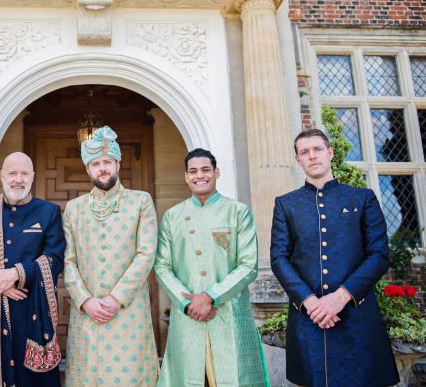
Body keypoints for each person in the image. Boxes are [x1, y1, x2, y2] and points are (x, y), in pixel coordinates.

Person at [270, 128, 399, 387]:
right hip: (309, 317)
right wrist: (311, 303)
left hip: (356, 314)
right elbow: (279, 258)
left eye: (317, 149)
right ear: (298, 159)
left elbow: (379, 254)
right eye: (304, 152)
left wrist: (340, 298)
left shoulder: (362, 198)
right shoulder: (286, 204)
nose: (312, 156)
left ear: (330, 153)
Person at [155, 148, 269, 387]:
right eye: (193, 171)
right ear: (186, 176)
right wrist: (189, 304)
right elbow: (162, 267)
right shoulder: (172, 217)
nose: (200, 176)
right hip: (187, 317)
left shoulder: (238, 212)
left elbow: (248, 265)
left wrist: (211, 297)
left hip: (228, 316)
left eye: (206, 170)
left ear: (216, 172)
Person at [62, 126, 159, 387]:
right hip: (87, 313)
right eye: (95, 164)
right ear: (87, 169)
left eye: (107, 162)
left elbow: (146, 253)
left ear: (117, 163)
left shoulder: (141, 201)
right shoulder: (74, 209)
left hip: (127, 312)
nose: (102, 168)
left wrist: (117, 299)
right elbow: (67, 261)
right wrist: (84, 300)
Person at [0, 152, 66, 387]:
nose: (18, 179)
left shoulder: (49, 212)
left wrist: (15, 273)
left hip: (31, 312)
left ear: (33, 177)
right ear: (2, 175)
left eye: (24, 173)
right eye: (13, 173)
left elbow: (55, 259)